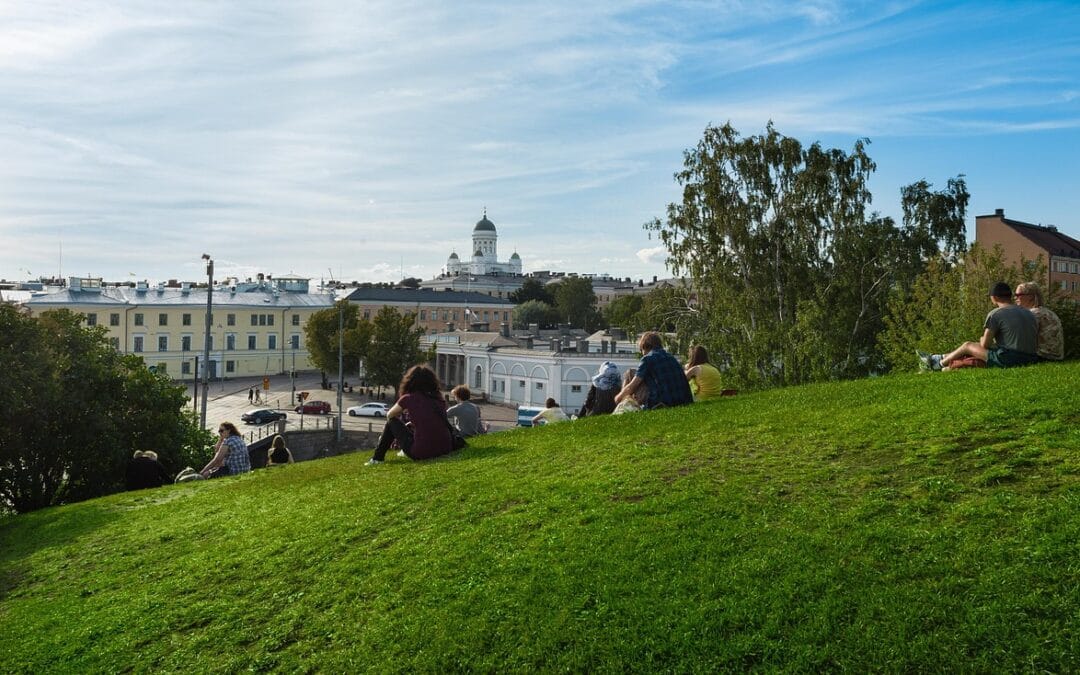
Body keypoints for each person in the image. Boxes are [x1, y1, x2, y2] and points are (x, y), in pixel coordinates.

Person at [918, 281, 1039, 371]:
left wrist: (982, 339)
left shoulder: (996, 313)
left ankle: (936, 365)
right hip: (1031, 358)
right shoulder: (1028, 312)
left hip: (1010, 359)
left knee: (968, 345)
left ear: (994, 297)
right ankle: (938, 358)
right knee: (977, 349)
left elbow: (984, 344)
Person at [366, 365, 454, 465]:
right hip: (446, 448)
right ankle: (402, 450)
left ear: (409, 381)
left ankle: (377, 458)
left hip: (422, 452)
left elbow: (390, 415)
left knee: (392, 422)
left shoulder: (408, 398)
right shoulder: (439, 399)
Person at [615, 331, 693, 409]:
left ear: (644, 346)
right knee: (632, 372)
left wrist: (618, 398)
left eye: (640, 350)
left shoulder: (647, 359)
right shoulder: (671, 358)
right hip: (682, 401)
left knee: (629, 373)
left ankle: (621, 407)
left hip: (662, 403)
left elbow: (632, 386)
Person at [1015, 281, 1064, 361]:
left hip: (1040, 357)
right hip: (1057, 357)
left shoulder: (1032, 314)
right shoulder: (1050, 313)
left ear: (1030, 296)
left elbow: (1021, 339)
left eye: (1018, 295)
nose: (1015, 298)